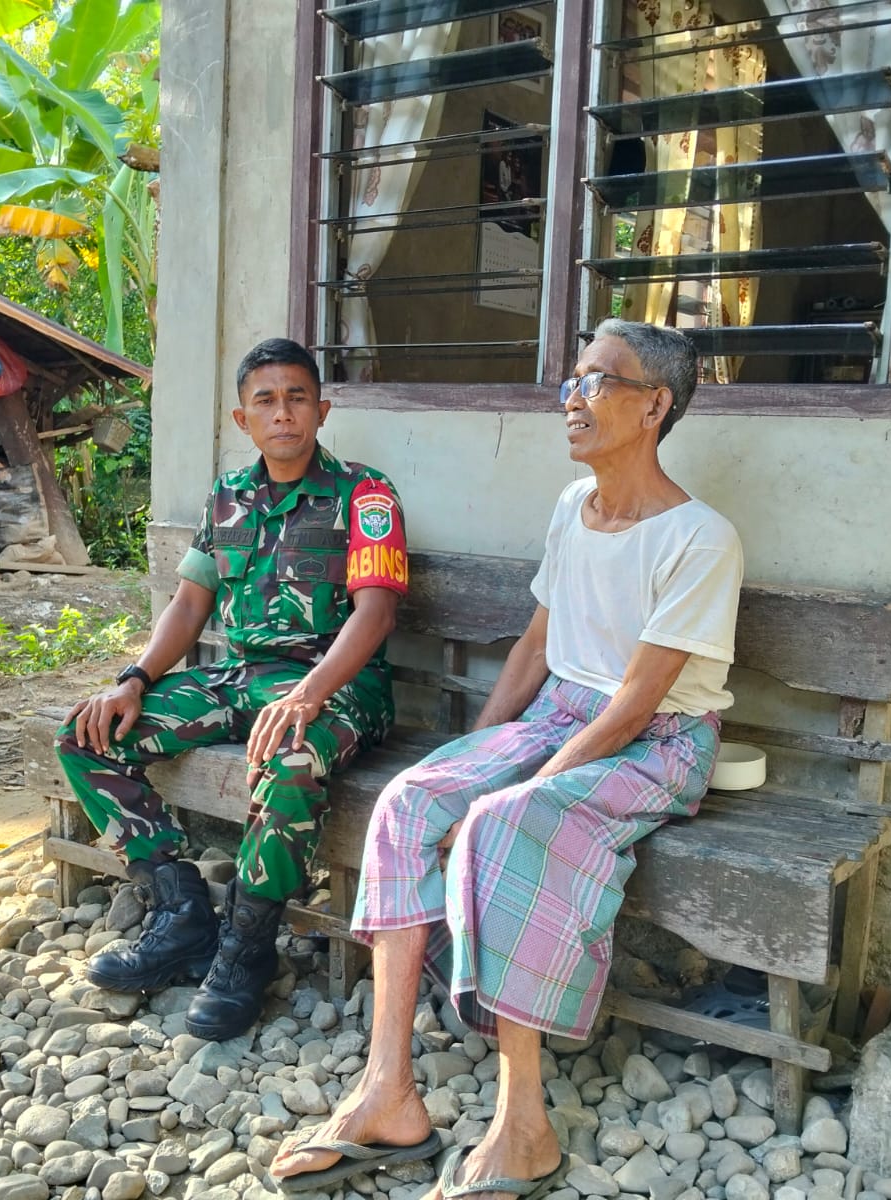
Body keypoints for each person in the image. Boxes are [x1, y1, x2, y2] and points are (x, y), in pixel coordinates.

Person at [270, 319, 743, 1198]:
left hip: (658, 742)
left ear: (654, 407)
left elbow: (637, 702)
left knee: (502, 822)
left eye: (598, 381)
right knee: (412, 800)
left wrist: (521, 785)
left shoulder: (700, 538)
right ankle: (387, 1091)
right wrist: (475, 754)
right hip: (561, 712)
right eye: (573, 379)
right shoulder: (573, 508)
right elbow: (535, 646)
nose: (573, 398)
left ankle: (524, 1124)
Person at [56, 337, 409, 1043]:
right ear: (243, 419)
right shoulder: (227, 497)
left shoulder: (364, 494)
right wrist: (133, 680)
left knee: (291, 761)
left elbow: (375, 613)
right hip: (240, 679)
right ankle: (180, 912)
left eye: (297, 397)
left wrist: (309, 693)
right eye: (266, 401)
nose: (283, 413)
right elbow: (190, 604)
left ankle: (247, 947)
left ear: (322, 410)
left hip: (338, 686)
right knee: (87, 733)